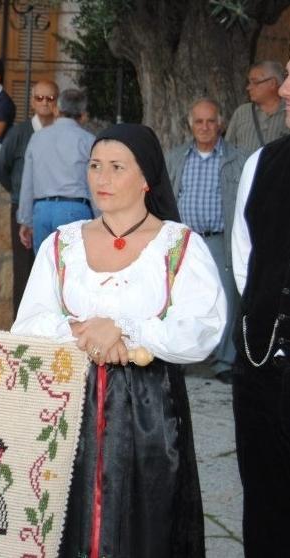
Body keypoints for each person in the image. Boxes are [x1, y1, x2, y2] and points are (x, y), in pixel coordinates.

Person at [12, 123, 227, 558]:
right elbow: (28, 325)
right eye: (94, 166)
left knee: (146, 526)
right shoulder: (62, 244)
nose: (102, 178)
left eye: (116, 167)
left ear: (146, 177)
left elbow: (202, 328)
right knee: (69, 523)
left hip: (151, 412)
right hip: (70, 409)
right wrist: (84, 333)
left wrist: (127, 329)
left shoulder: (178, 246)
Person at [230, 57, 290, 558]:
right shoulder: (261, 163)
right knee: (267, 498)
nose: (285, 90)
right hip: (266, 363)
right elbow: (245, 260)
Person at [166, 98, 245, 384]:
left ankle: (225, 360)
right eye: (199, 121)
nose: (205, 127)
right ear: (190, 125)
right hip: (184, 240)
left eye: (211, 121)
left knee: (226, 299)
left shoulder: (238, 158)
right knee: (178, 298)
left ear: (220, 125)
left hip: (219, 240)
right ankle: (181, 356)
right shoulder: (176, 157)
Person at [0, 79, 58, 317]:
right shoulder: (19, 133)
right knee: (24, 269)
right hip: (24, 211)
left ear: (56, 102)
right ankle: (20, 327)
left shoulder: (59, 133)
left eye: (49, 98)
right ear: (32, 101)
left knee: (52, 268)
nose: (44, 103)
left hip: (53, 208)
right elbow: (0, 168)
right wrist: (20, 194)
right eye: (39, 98)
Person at [17, 88, 94, 253]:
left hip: (42, 210)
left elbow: (27, 182)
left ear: (57, 110)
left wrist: (25, 219)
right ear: (83, 114)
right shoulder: (88, 141)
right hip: (75, 209)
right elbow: (94, 184)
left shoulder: (37, 137)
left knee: (45, 272)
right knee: (72, 272)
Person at [225, 60, 289, 153]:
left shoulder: (287, 113)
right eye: (249, 82)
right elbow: (227, 150)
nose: (248, 87)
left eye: (254, 82)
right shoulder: (242, 112)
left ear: (272, 83)